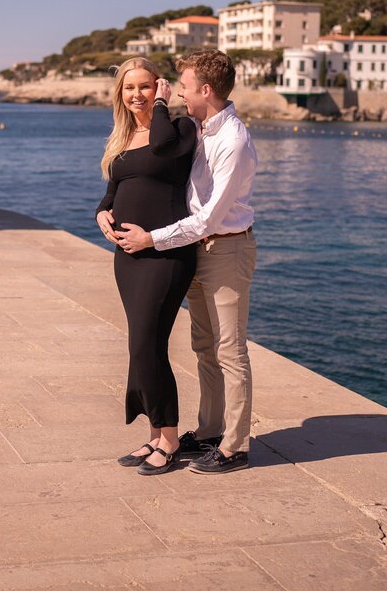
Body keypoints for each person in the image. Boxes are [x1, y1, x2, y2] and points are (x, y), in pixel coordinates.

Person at [117, 49, 258, 475]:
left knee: (230, 351)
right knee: (203, 347)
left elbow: (209, 217)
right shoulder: (199, 129)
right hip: (197, 249)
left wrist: (152, 239)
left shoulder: (232, 140)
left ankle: (235, 447)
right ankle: (211, 430)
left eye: (185, 85)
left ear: (206, 90)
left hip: (226, 247)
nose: (178, 91)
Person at [95, 57, 198, 476]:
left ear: (159, 87)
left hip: (165, 255)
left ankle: (170, 440)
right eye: (128, 88)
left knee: (146, 345)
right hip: (128, 258)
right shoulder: (122, 137)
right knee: (142, 346)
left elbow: (160, 148)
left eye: (144, 86)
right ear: (119, 94)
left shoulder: (179, 129)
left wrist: (160, 106)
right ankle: (156, 434)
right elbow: (114, 189)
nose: (135, 94)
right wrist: (102, 213)